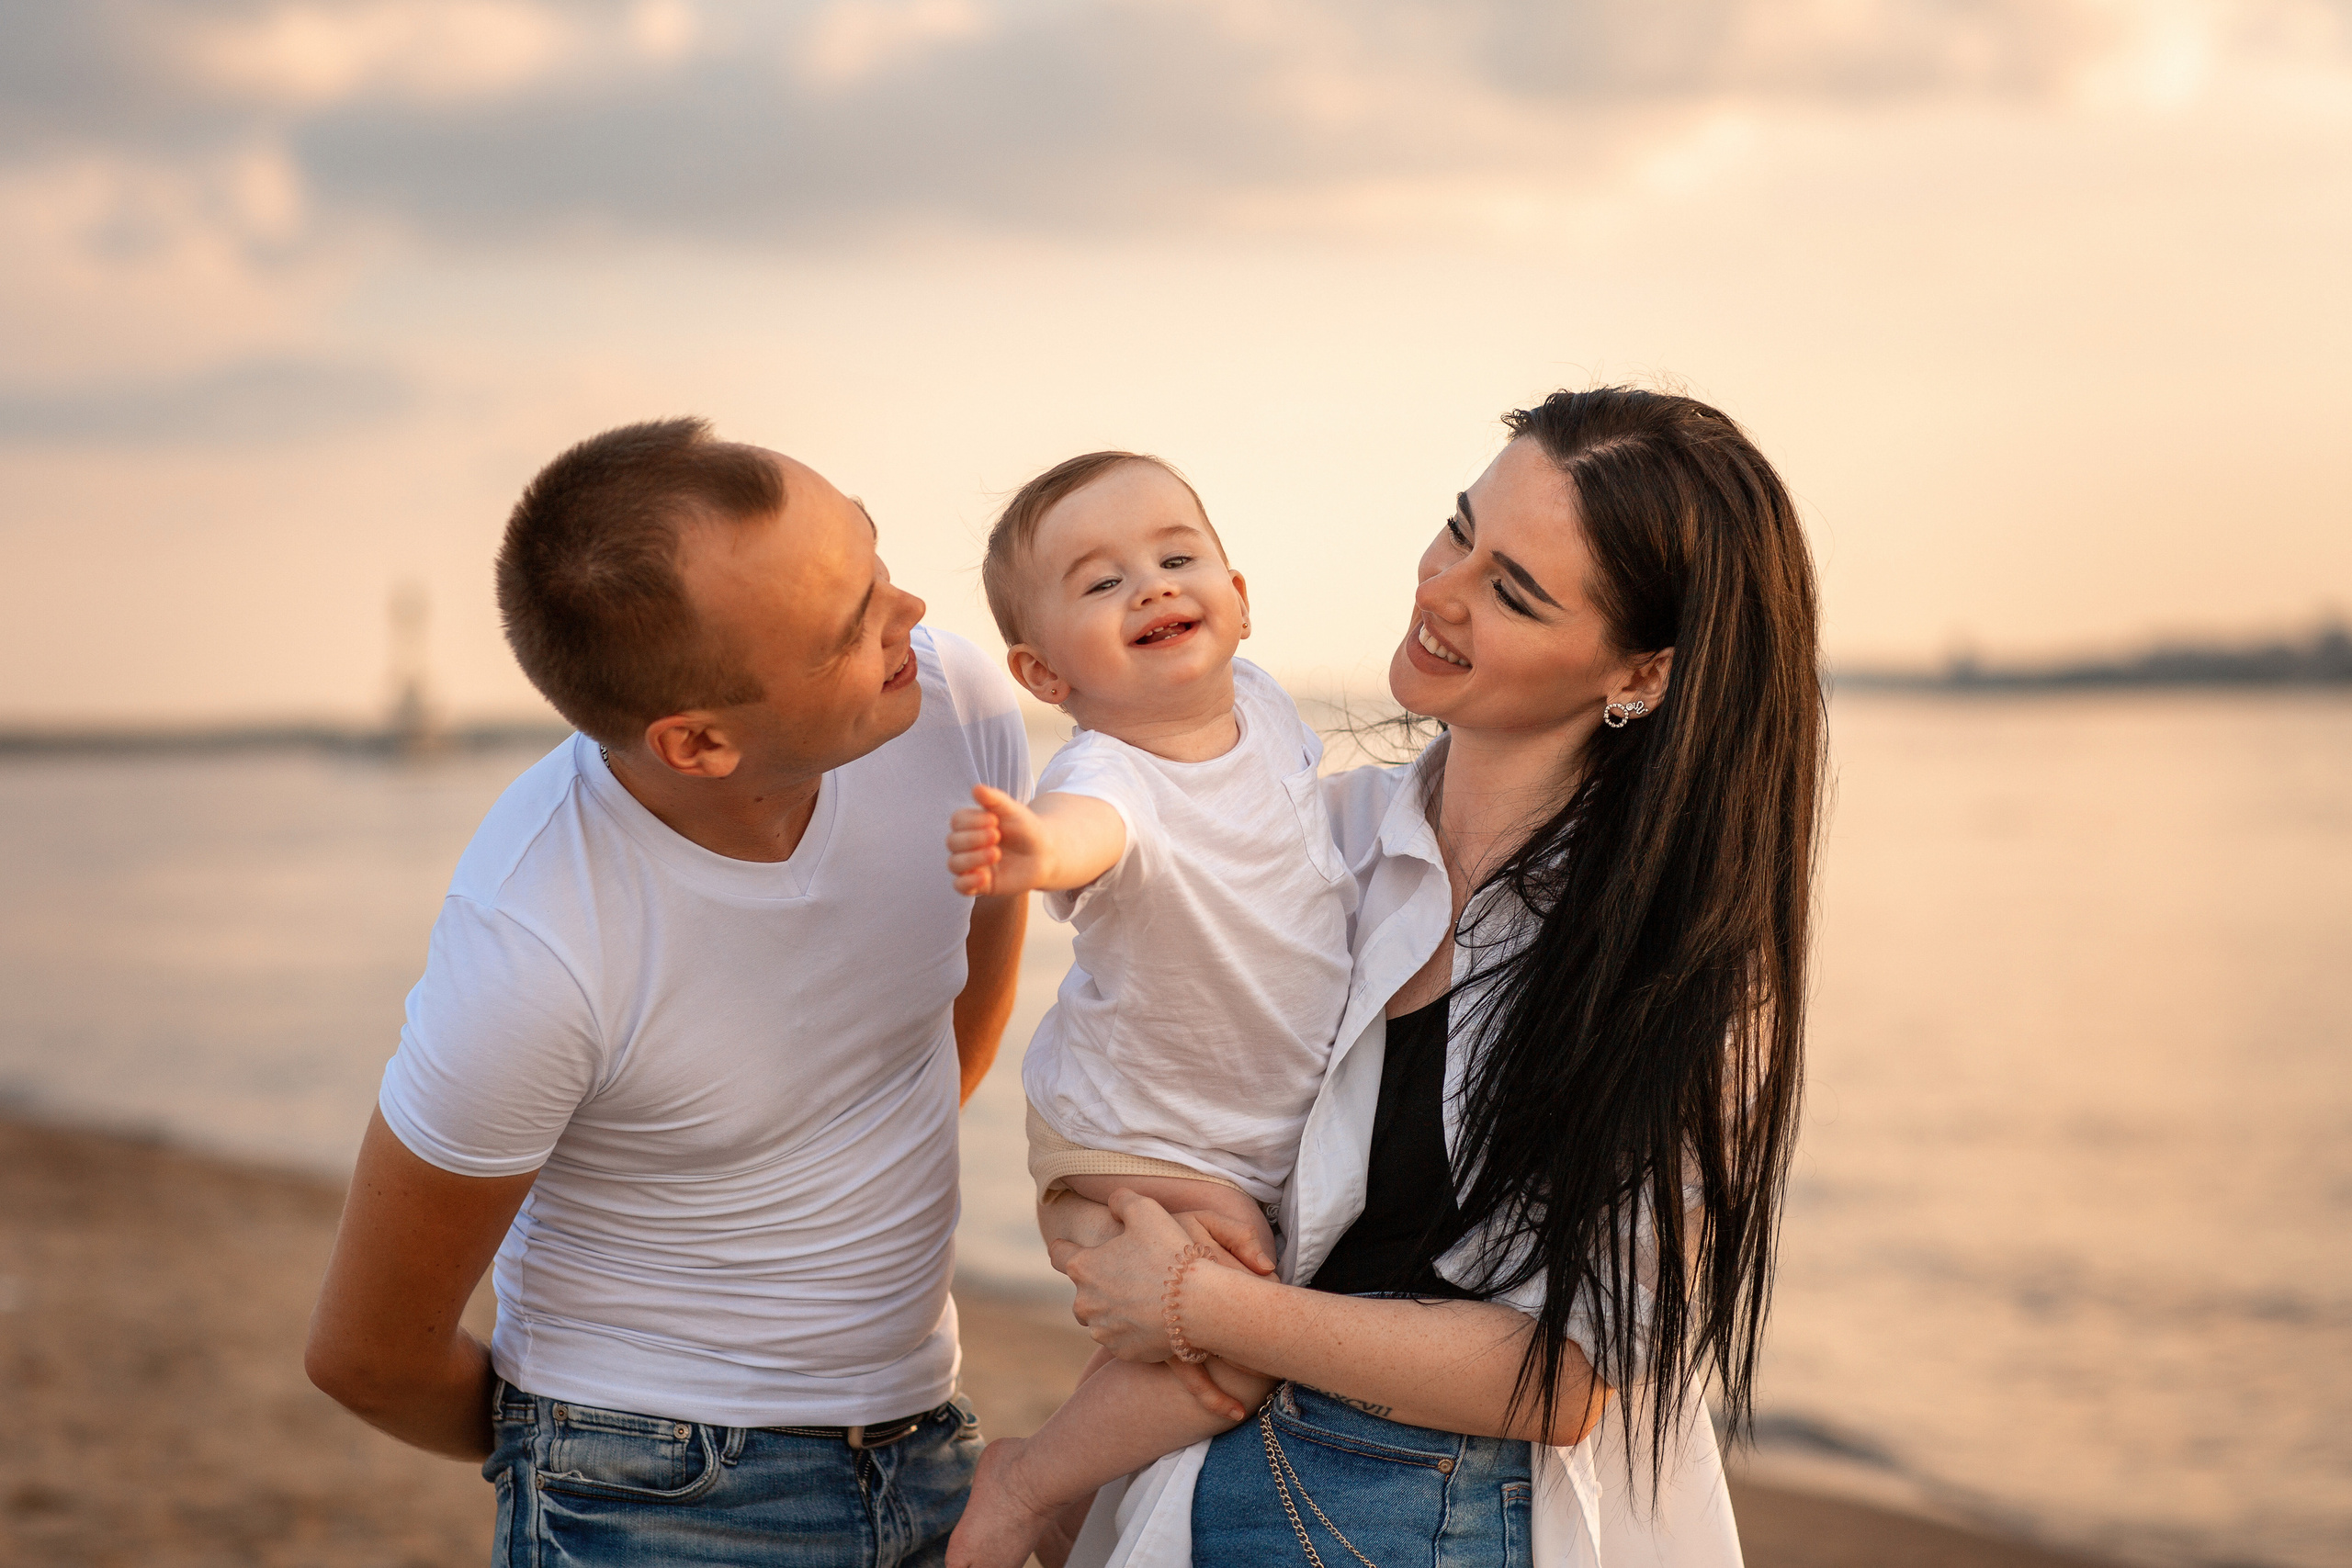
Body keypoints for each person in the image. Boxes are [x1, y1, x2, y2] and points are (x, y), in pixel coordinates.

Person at [1047, 387, 1826, 1566]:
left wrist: (1198, 1304)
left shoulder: (1676, 968)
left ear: (1643, 673)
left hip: (1459, 1524)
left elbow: (1564, 1375)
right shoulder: (1320, 838)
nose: (1440, 592)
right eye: (1460, 529)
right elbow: (1150, 1079)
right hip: (1208, 1483)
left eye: (1513, 592)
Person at [302, 417, 1032, 1568]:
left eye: (873, 555)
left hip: (927, 1437)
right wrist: (585, 1456)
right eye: (851, 627)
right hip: (654, 1502)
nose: (912, 614)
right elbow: (369, 1355)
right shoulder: (536, 948)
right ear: (697, 743)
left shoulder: (950, 706)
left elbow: (951, 1025)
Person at [938, 452, 1351, 1567]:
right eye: (1102, 582)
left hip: (1238, 1135)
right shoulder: (1110, 774)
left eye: (1176, 557)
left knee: (1178, 1347)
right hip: (1138, 1136)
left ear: (1240, 598)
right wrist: (1032, 849)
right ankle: (1024, 1483)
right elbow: (1088, 834)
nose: (1153, 587)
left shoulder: (1263, 704)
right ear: (1043, 672)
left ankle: (1073, 1509)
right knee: (1235, 1340)